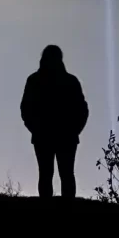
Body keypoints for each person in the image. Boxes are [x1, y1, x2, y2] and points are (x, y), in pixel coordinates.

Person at [20, 44, 89, 198]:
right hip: (58, 135)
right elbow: (82, 109)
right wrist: (74, 130)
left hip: (51, 135)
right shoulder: (69, 81)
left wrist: (35, 128)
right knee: (60, 174)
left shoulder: (35, 80)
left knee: (52, 174)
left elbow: (25, 109)